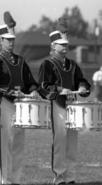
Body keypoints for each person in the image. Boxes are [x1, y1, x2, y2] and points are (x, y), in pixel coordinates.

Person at [0, 24, 39, 185]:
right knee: (6, 143)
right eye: (8, 40)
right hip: (6, 104)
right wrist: (9, 92)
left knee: (19, 144)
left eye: (12, 40)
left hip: (22, 105)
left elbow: (30, 81)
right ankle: (5, 180)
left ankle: (16, 179)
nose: (11, 43)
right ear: (0, 40)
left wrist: (33, 90)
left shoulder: (21, 60)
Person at [38, 30, 90, 185]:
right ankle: (59, 177)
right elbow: (43, 85)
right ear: (53, 45)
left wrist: (81, 87)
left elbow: (82, 80)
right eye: (62, 44)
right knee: (60, 140)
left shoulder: (73, 65)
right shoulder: (47, 64)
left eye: (66, 44)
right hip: (58, 105)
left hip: (73, 105)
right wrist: (60, 89)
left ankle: (70, 177)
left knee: (72, 142)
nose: (65, 46)